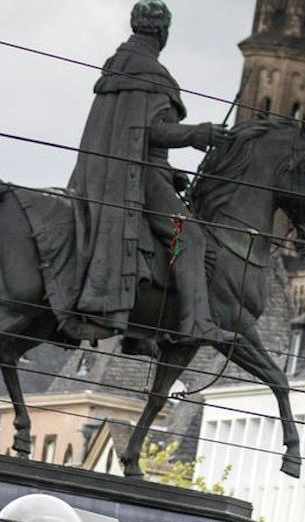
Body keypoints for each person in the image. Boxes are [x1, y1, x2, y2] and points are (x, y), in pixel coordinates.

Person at [67, 0, 232, 347]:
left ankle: (143, 325)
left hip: (115, 175)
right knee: (188, 236)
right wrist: (197, 133)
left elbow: (133, 135)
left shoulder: (118, 69)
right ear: (162, 31)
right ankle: (196, 322)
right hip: (141, 180)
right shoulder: (152, 74)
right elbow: (153, 131)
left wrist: (172, 172)